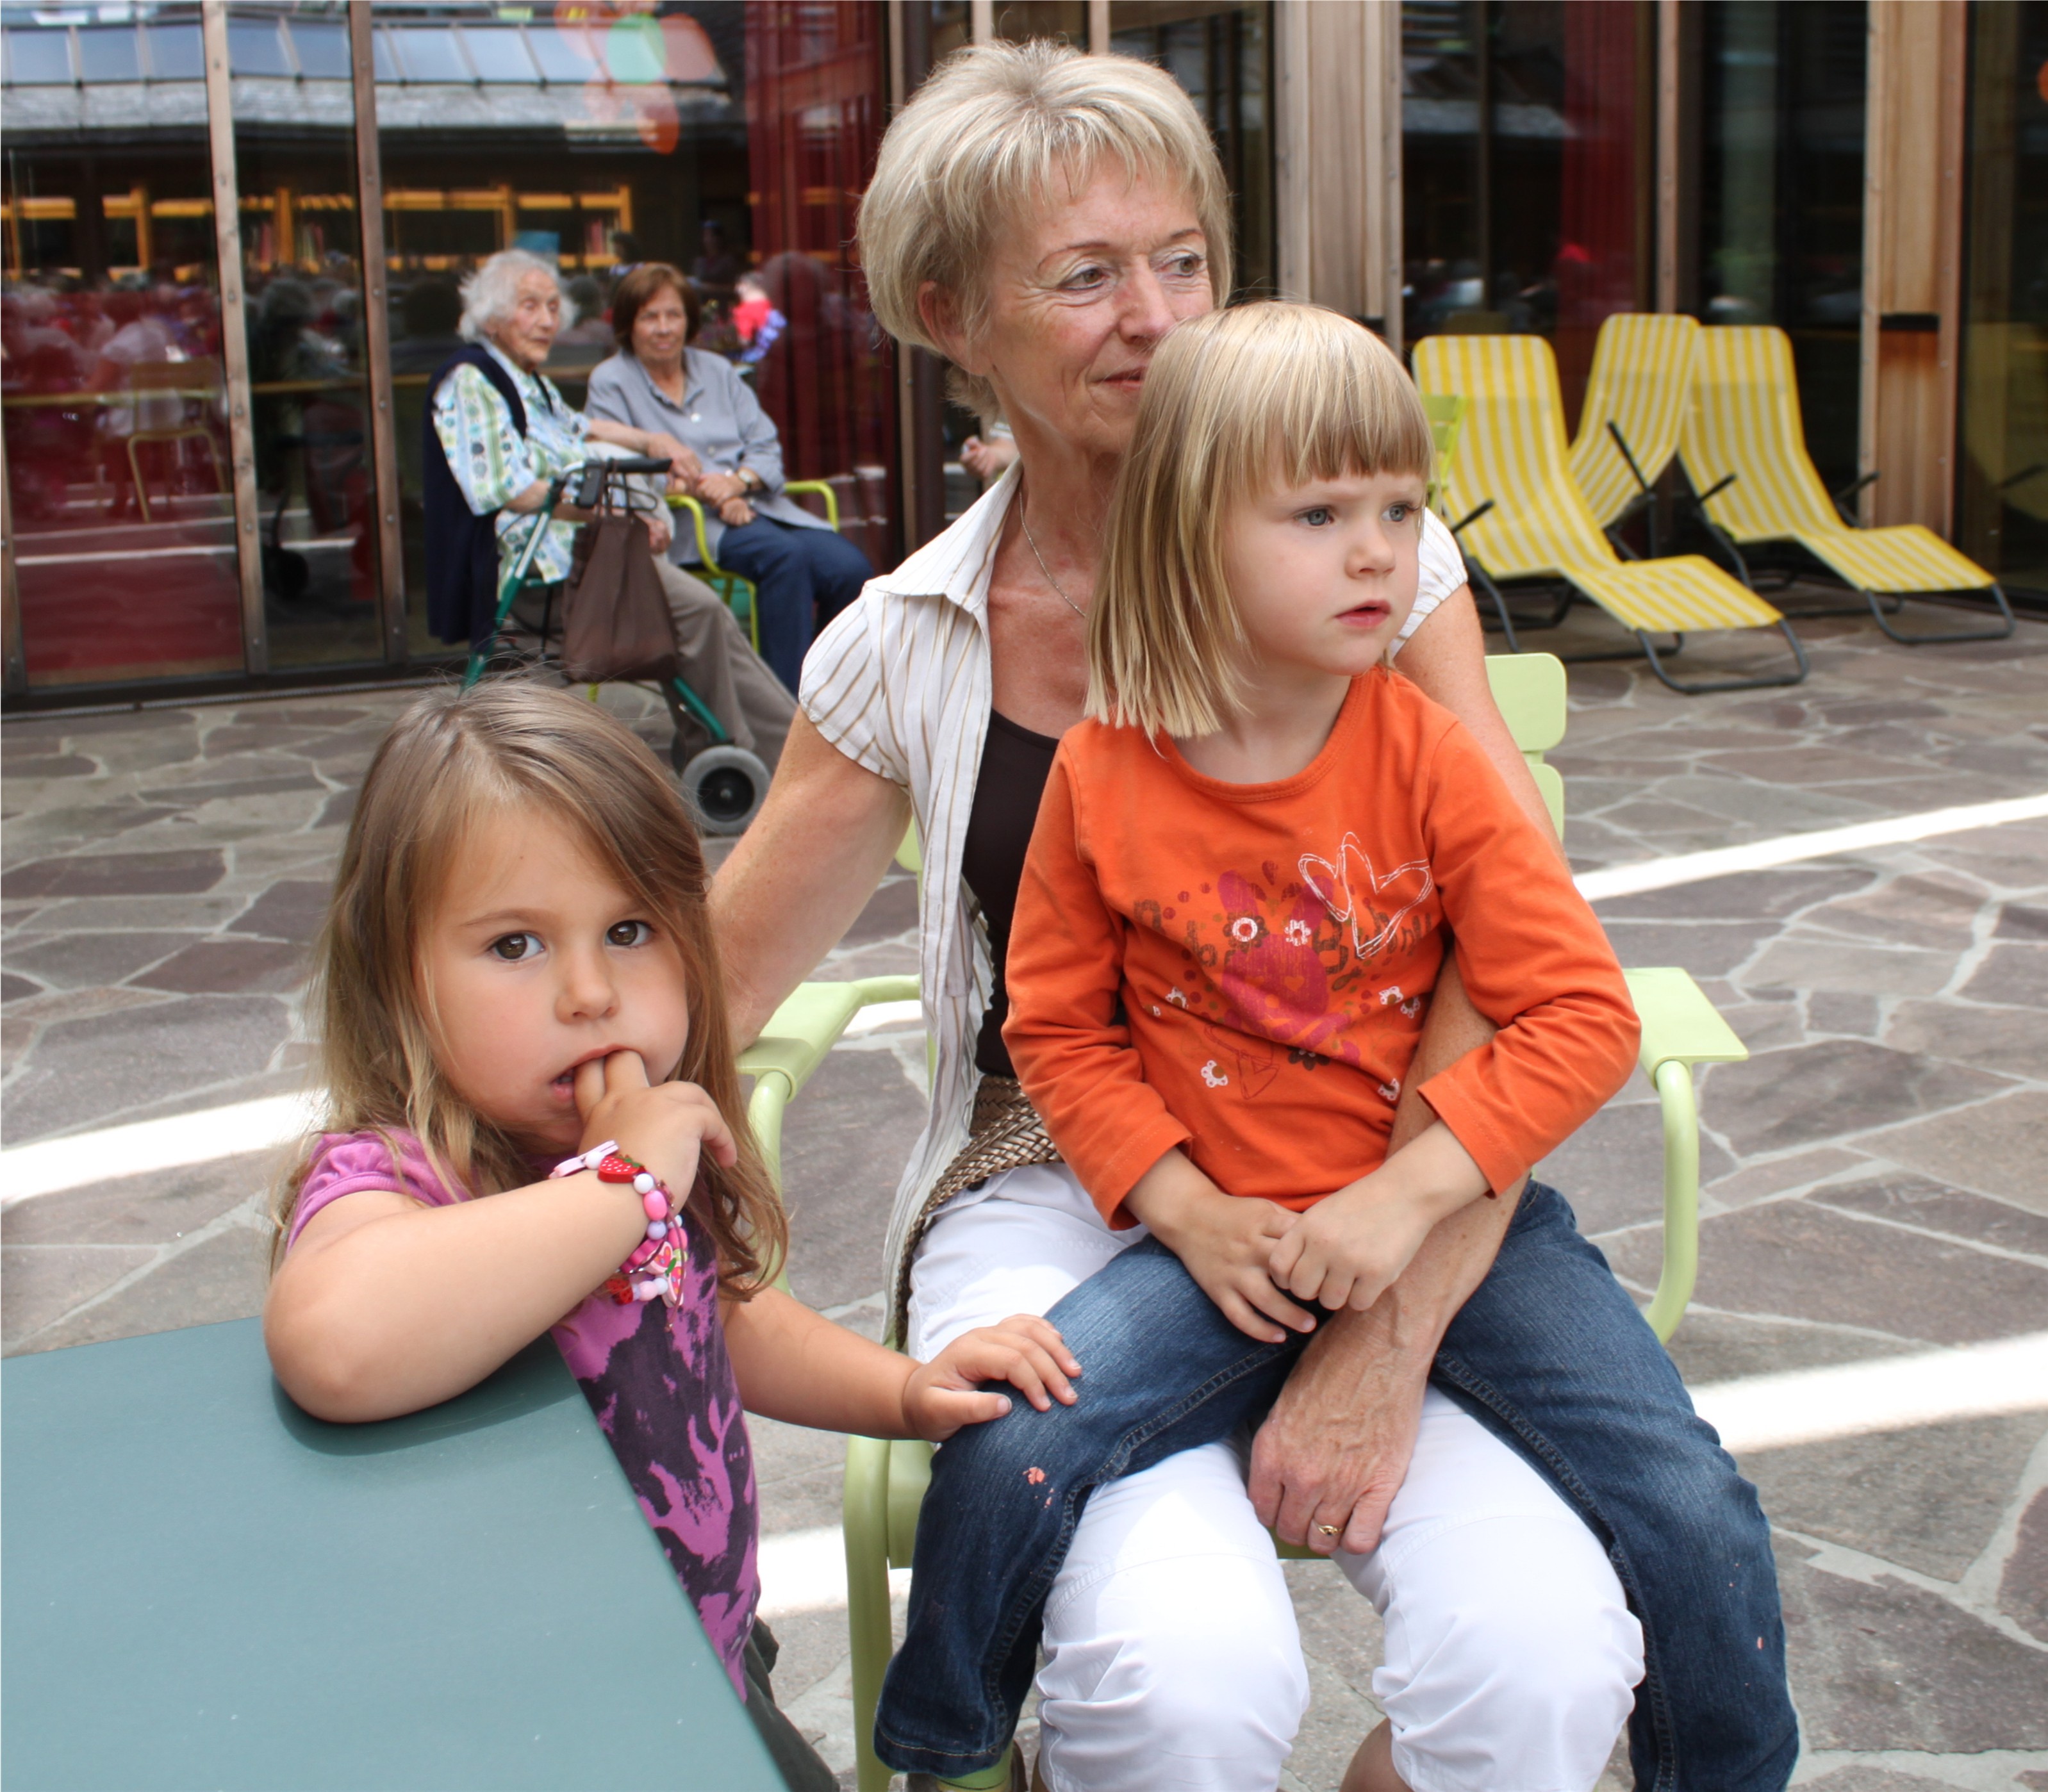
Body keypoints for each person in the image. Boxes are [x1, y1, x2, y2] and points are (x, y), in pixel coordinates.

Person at [713, 40, 1795, 1792]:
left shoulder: (1376, 576)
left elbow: (1517, 960)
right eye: (1083, 275)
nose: (1153, 317)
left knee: (1539, 1661)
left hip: (1395, 1172)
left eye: (1184, 260)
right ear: (947, 314)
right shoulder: (911, 637)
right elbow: (712, 986)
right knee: (1179, 1673)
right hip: (1071, 1175)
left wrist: (1389, 1317)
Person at [879, 300, 1654, 1788]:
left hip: (1374, 1204)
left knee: (1553, 1652)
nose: (1379, 552)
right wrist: (1180, 1201)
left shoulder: (1413, 736)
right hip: (1128, 1201)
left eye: (1401, 511)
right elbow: (1052, 1025)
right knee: (1167, 1657)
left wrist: (1407, 1215)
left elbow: (1563, 994)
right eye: (1321, 515)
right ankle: (956, 1745)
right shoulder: (1058, 733)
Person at [261, 680, 1082, 1792]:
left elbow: (712, 1314)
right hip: (536, 1720)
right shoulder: (403, 1177)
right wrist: (626, 1183)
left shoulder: (621, 1147)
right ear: (395, 972)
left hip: (704, 1651)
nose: (590, 992)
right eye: (514, 944)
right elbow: (336, 1341)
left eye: (630, 931)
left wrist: (901, 1390)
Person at [424, 249, 794, 772]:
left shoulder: (526, 380)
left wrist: (652, 440)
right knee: (699, 614)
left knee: (701, 617)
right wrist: (617, 518)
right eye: (530, 306)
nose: (547, 320)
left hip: (578, 558)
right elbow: (513, 491)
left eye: (554, 306)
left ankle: (761, 752)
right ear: (492, 316)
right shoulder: (472, 380)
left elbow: (582, 427)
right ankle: (744, 758)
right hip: (541, 574)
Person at [584, 263, 874, 694]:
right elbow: (620, 467)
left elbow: (766, 446)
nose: (663, 328)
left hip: (760, 507)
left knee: (850, 569)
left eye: (673, 315)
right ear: (628, 324)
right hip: (691, 522)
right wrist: (714, 493)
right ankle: (784, 705)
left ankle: (829, 692)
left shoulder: (717, 370)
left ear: (689, 320)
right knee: (785, 559)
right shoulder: (612, 380)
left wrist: (737, 484)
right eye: (649, 317)